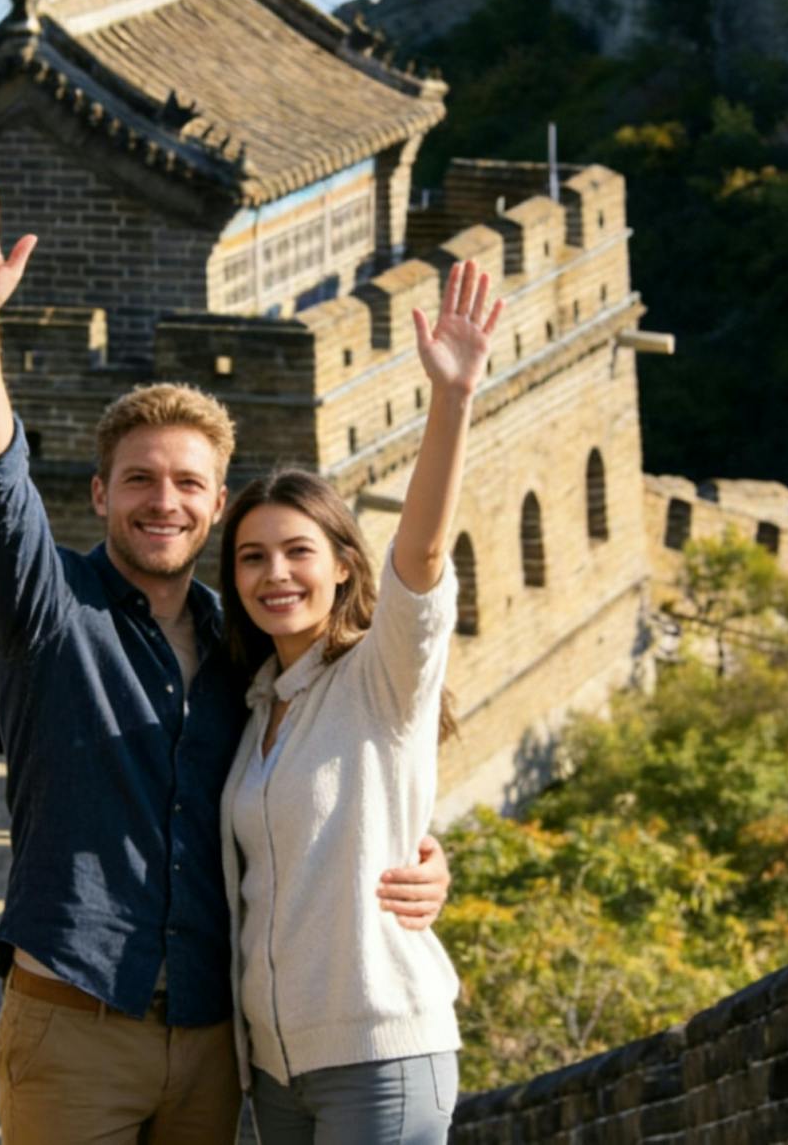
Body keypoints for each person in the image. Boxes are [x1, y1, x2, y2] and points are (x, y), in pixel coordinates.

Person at [0, 173, 451, 1143]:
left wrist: (421, 849)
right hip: (74, 1022)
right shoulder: (47, 612)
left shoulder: (244, 654)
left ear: (214, 507)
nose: (161, 501)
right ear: (98, 494)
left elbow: (346, 765)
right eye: (138, 480)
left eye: (186, 485)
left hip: (216, 1041)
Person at [218, 258, 501, 1143]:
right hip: (272, 1068)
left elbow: (419, 560)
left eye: (298, 551)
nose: (275, 574)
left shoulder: (381, 679)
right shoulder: (254, 705)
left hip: (381, 1053)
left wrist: (449, 399)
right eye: (252, 557)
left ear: (343, 562)